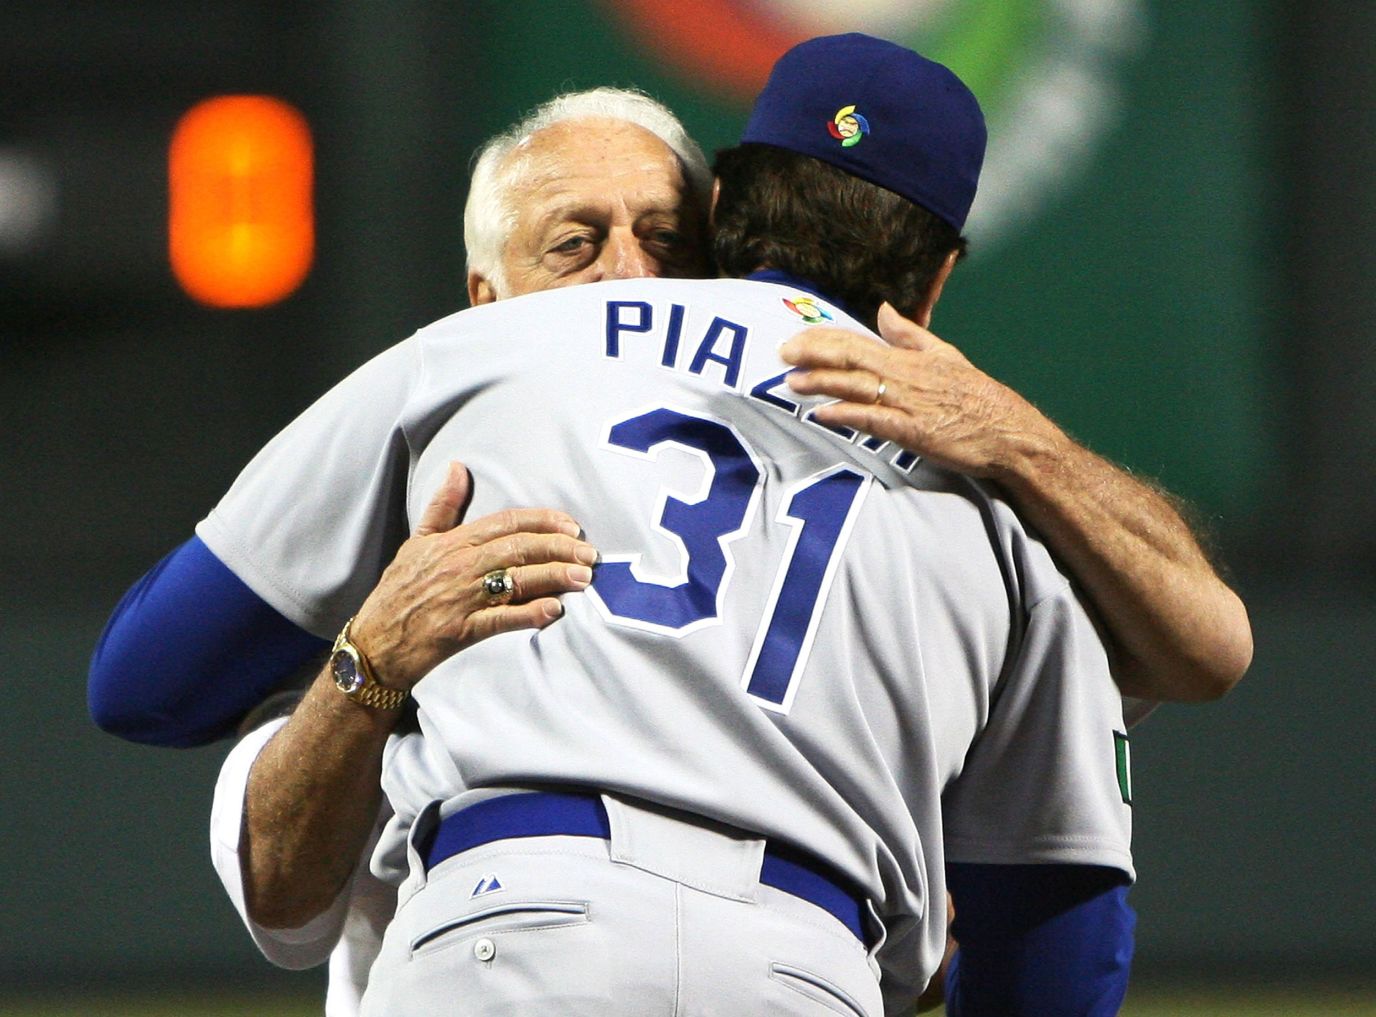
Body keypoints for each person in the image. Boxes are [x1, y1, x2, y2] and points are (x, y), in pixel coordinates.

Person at [172, 35, 1153, 1015]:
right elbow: (279, 894)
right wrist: (366, 669)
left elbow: (154, 682)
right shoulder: (1005, 516)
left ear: (721, 246)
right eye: (572, 245)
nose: (626, 281)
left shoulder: (452, 386)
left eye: (663, 243)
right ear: (483, 300)